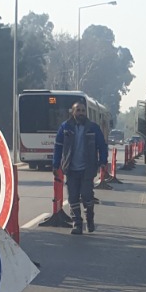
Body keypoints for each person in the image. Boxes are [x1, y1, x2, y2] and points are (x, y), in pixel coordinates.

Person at [53, 100, 109, 234]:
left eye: (83, 110)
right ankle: (77, 224)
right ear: (73, 112)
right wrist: (56, 165)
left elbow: (102, 146)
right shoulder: (65, 127)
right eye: (78, 110)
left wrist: (103, 161)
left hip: (87, 169)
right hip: (71, 169)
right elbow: (58, 147)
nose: (81, 113)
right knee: (72, 197)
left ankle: (89, 218)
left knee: (86, 196)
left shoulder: (93, 128)